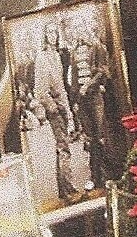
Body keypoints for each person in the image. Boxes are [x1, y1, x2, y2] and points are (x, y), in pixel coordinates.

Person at [23, 21, 75, 198]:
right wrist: (53, 108)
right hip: (54, 109)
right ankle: (66, 190)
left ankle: (66, 188)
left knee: (63, 147)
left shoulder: (56, 55)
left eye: (55, 32)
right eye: (49, 33)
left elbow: (61, 85)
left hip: (62, 105)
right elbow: (40, 90)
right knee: (63, 148)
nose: (53, 36)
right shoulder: (42, 57)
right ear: (45, 36)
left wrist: (67, 110)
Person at [68, 22, 118, 191]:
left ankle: (108, 174)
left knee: (100, 136)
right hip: (82, 100)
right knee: (90, 139)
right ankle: (96, 176)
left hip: (94, 96)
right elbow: (74, 79)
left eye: (81, 29)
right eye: (76, 30)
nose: (79, 33)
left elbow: (102, 71)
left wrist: (88, 86)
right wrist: (75, 100)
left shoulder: (97, 48)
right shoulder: (74, 52)